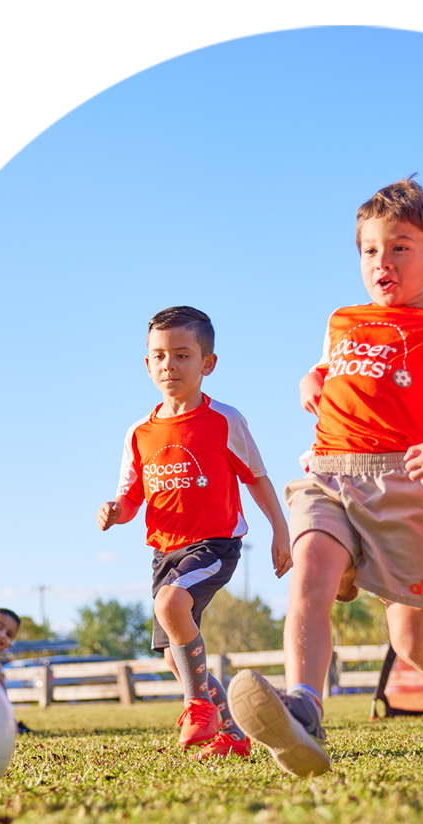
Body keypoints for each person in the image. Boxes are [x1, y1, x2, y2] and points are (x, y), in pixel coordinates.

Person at [228, 179, 423, 777]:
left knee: (411, 641)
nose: (383, 262)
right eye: (371, 250)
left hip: (404, 485)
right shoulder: (343, 319)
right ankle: (304, 708)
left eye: (400, 248)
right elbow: (325, 367)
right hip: (328, 472)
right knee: (310, 574)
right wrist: (309, 382)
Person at [97, 306, 291, 760]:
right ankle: (235, 733)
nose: (169, 365)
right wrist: (115, 511)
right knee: (175, 655)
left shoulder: (225, 420)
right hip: (165, 554)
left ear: (208, 363)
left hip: (214, 545)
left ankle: (198, 707)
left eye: (182, 355)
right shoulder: (138, 433)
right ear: (147, 364)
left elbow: (257, 478)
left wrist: (280, 531)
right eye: (160, 356)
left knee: (170, 605)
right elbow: (131, 499)